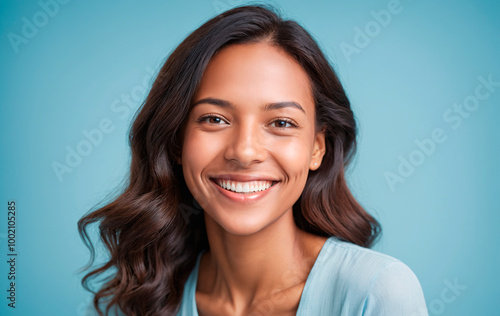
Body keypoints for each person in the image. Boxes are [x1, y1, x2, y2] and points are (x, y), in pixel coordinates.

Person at [78, 4, 428, 316]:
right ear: (176, 141)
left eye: (281, 123)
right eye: (214, 119)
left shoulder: (377, 292)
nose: (244, 152)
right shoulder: (149, 297)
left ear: (316, 148)